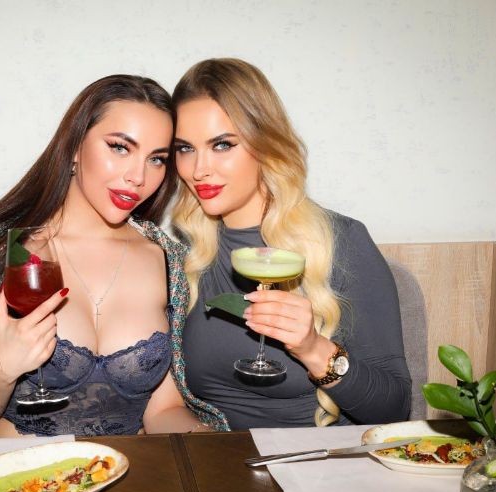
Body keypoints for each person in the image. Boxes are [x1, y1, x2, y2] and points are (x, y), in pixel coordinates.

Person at [0, 75, 223, 440]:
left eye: (156, 159)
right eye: (120, 148)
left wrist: (218, 444)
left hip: (126, 469)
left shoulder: (166, 259)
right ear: (75, 147)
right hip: (23, 472)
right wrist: (3, 369)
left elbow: (164, 410)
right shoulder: (1, 258)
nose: (138, 177)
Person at [171, 58, 411, 429]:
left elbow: (395, 409)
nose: (199, 169)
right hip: (220, 459)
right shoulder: (188, 256)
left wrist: (314, 349)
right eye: (185, 148)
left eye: (222, 145)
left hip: (314, 458)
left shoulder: (342, 242)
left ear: (265, 143)